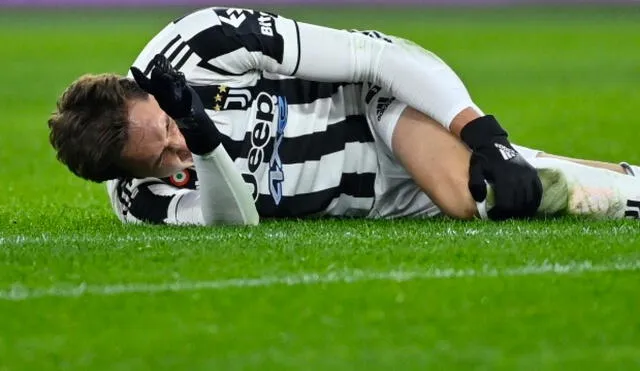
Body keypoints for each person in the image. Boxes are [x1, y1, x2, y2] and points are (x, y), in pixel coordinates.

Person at [47, 7, 640, 226]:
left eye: (169, 132)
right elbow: (236, 223)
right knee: (512, 186)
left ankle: (568, 182)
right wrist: (201, 142)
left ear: (141, 89)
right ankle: (623, 182)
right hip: (368, 200)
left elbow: (373, 55)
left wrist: (488, 135)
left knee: (475, 193)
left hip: (375, 115)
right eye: (160, 162)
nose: (174, 156)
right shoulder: (139, 203)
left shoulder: (202, 43)